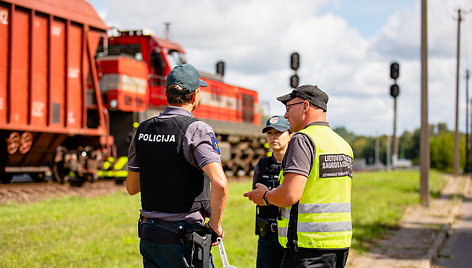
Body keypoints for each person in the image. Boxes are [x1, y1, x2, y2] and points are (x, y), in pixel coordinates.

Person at [126, 63, 228, 268]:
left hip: (150, 236)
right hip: (183, 239)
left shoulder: (143, 129)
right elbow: (219, 183)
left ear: (167, 93)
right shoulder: (196, 129)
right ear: (195, 95)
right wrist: (215, 225)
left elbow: (132, 188)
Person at [244, 85, 354, 268]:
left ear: (305, 106)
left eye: (288, 109)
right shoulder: (342, 145)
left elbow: (289, 195)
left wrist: (265, 196)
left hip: (307, 247)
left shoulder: (303, 140)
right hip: (339, 246)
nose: (286, 115)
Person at [253, 115, 292, 268]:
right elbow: (256, 197)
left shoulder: (296, 164)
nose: (273, 137)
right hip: (267, 236)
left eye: (278, 132)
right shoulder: (262, 165)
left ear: (290, 136)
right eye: (269, 133)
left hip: (292, 235)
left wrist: (267, 195)